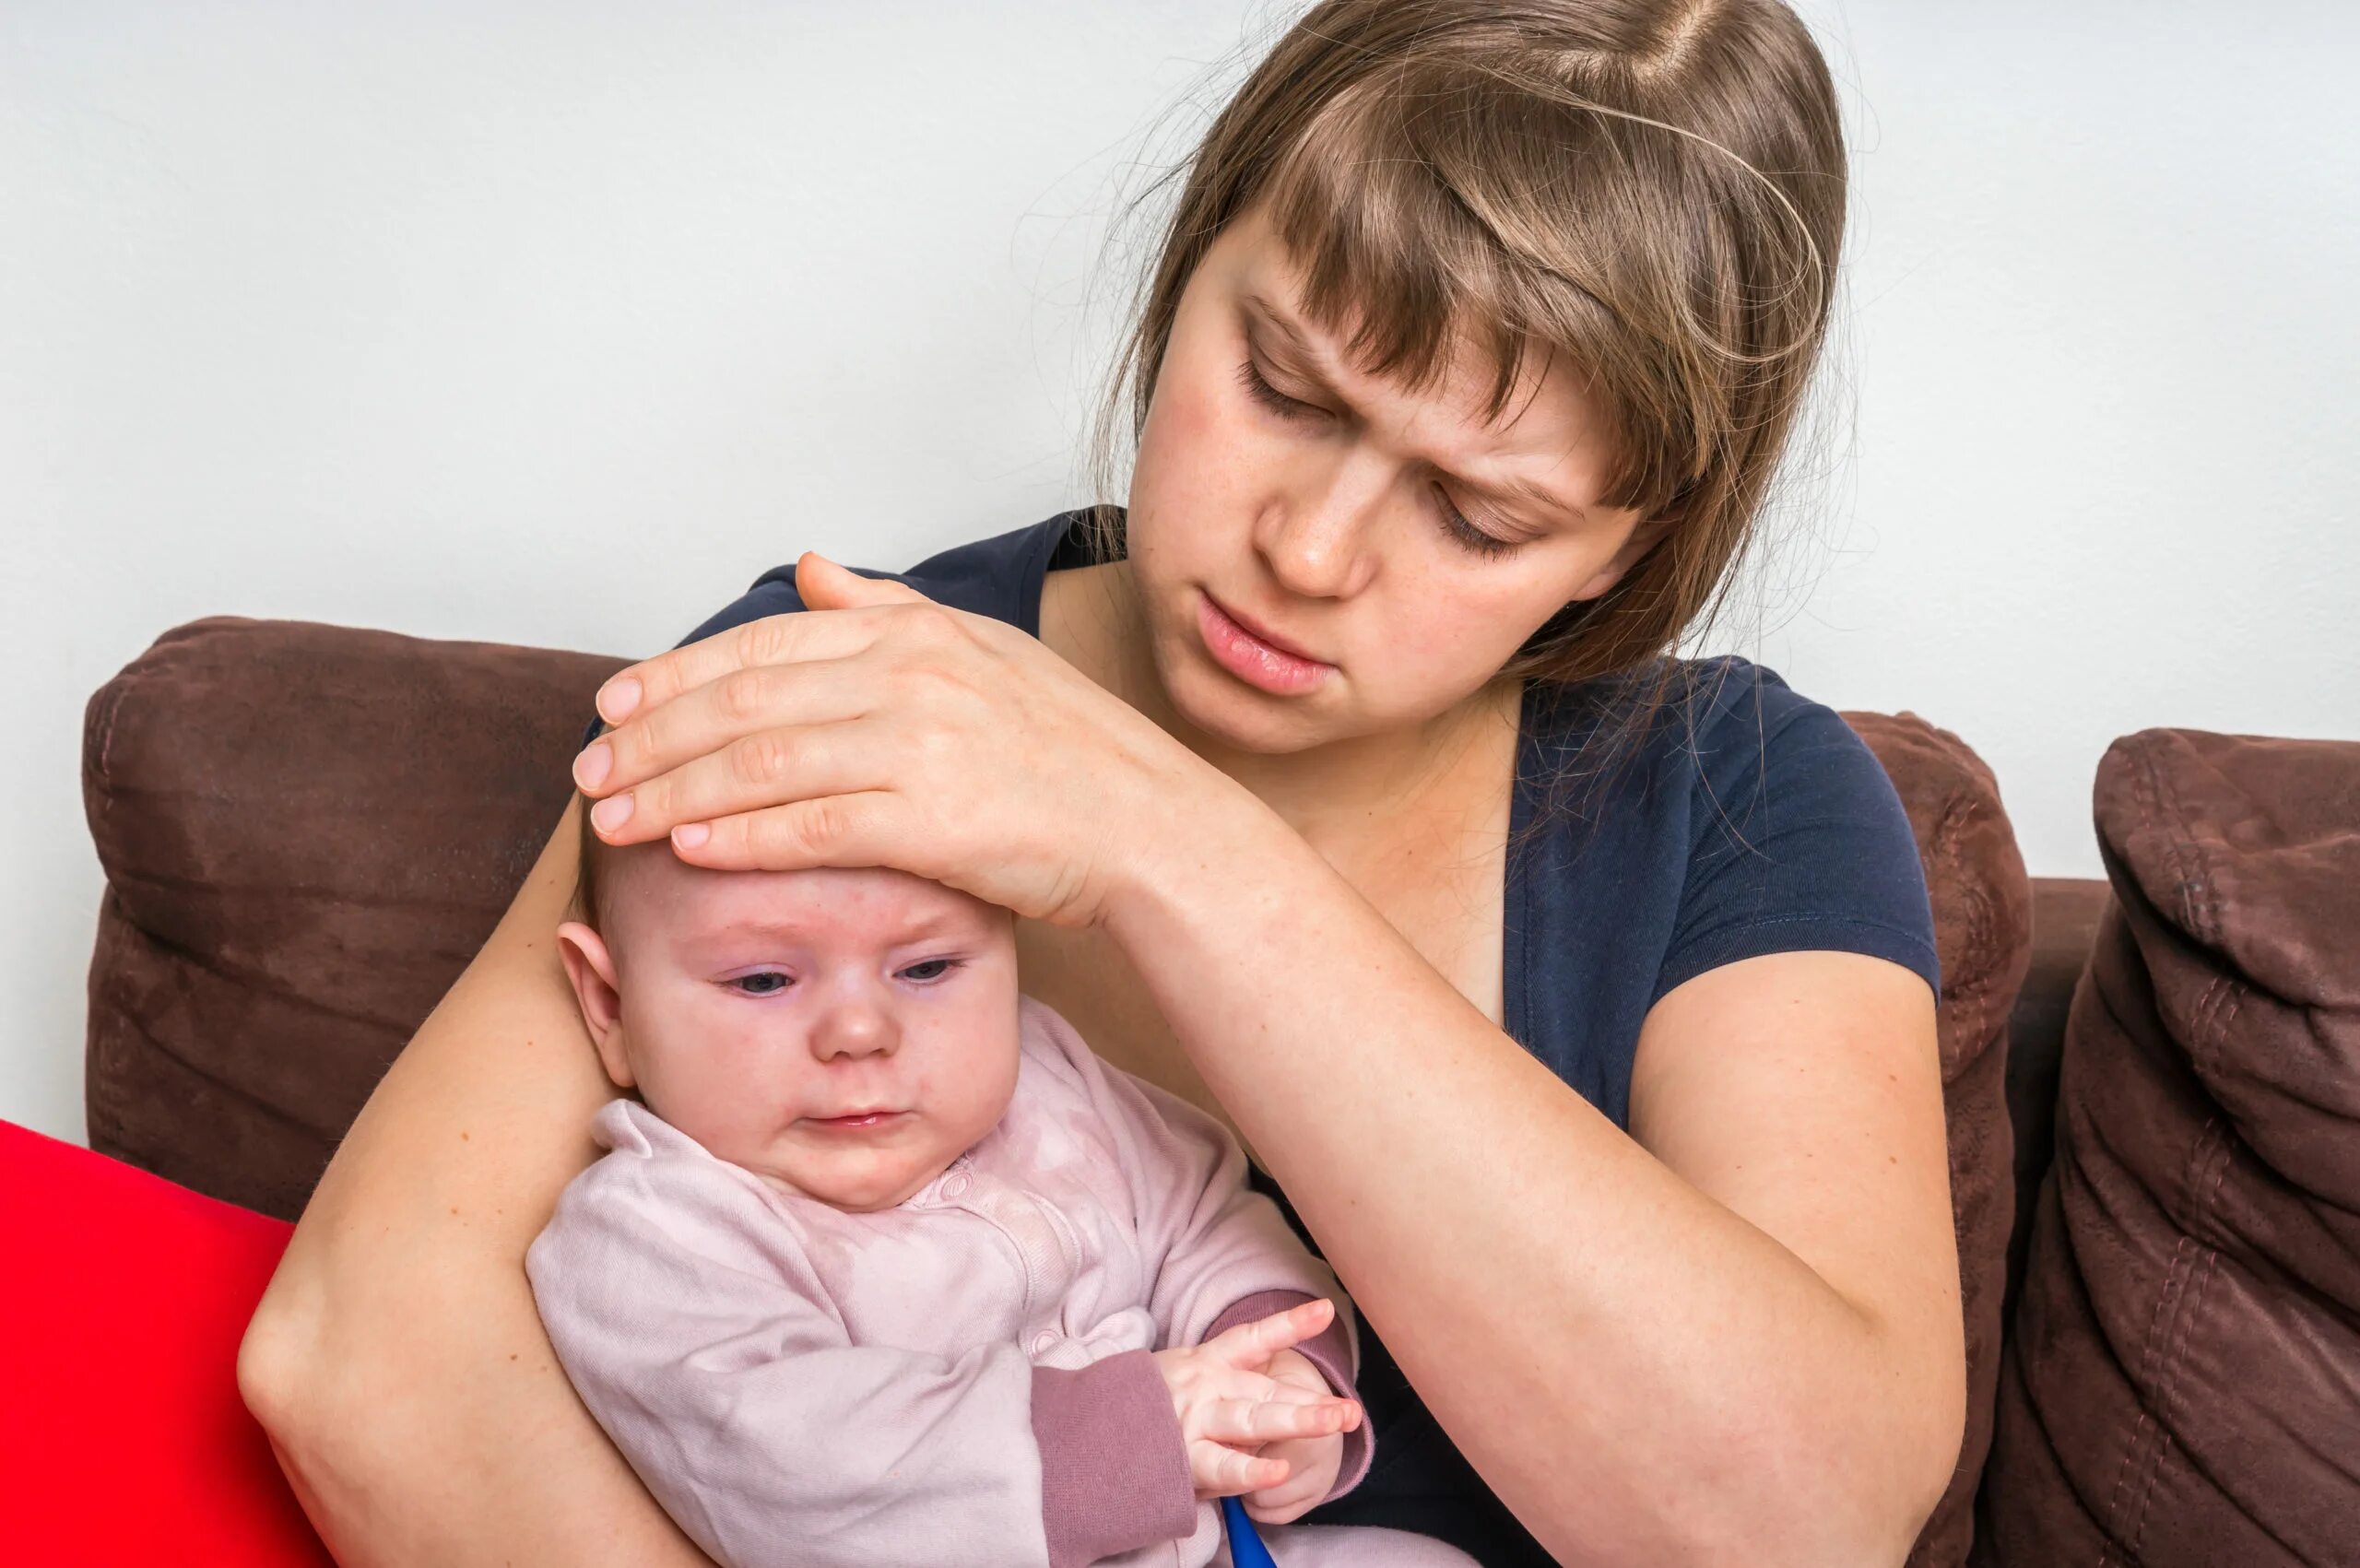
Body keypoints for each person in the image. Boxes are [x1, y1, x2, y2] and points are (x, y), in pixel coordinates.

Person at [239, 3, 1968, 1564]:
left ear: (1626, 546)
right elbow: (359, 1360)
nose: (1308, 547)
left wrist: (1166, 838)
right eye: (1283, 384)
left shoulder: (1744, 798)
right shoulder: (843, 673)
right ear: (1191, 257)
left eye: (1475, 512)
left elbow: (1799, 1527)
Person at [523, 832, 1475, 1565]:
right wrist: (1142, 1432)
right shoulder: (652, 1234)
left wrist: (1279, 1376)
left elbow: (1202, 1214)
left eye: (928, 968)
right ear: (608, 1006)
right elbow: (796, 1465)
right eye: (764, 979)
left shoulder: (1050, 1080)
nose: (860, 1030)